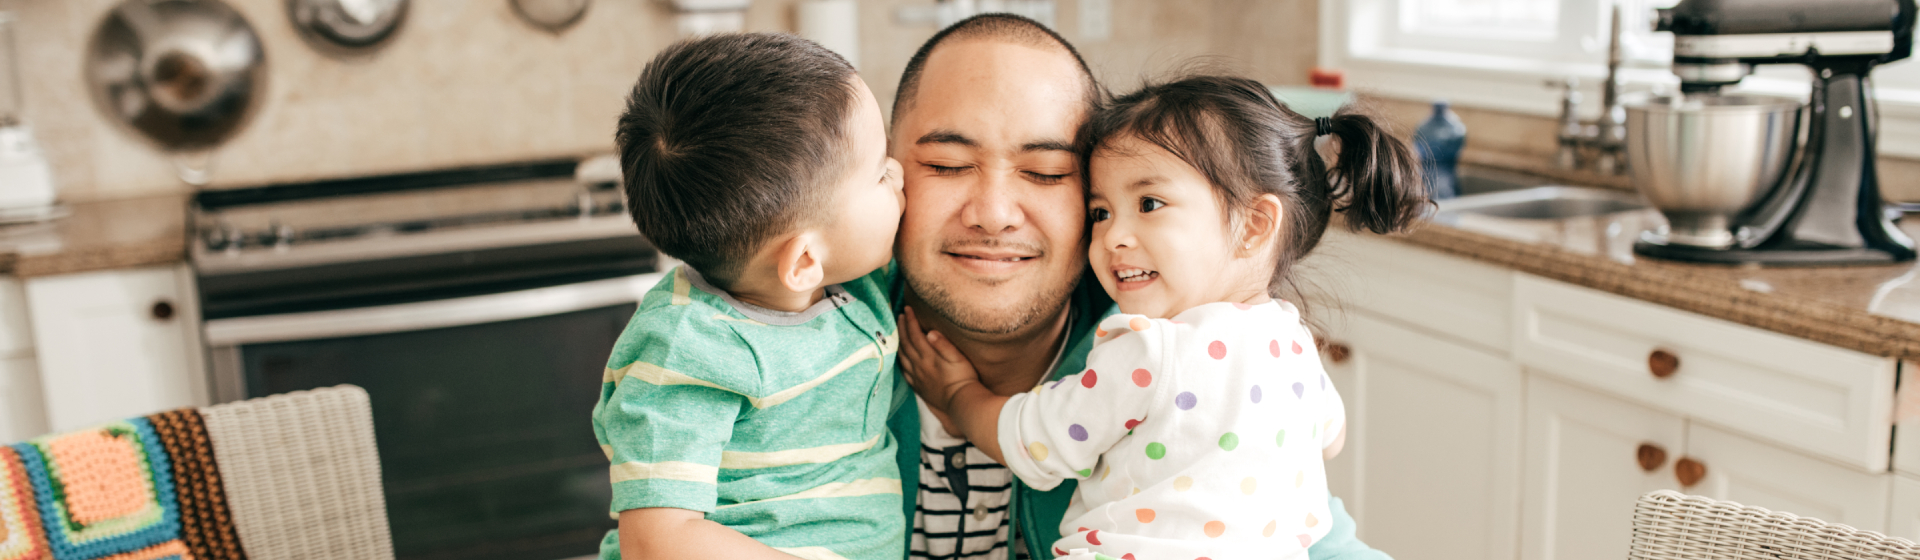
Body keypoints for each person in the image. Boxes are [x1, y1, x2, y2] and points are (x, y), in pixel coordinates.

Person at [885, 14, 1395, 560]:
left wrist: (962, 399)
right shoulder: (808, 354)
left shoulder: (1153, 345)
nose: (994, 214)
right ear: (885, 171)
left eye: (1048, 172)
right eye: (947, 164)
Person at [591, 33, 907, 560]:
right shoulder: (687, 349)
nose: (898, 172)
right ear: (804, 261)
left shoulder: (852, 284)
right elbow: (657, 540)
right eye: (880, 172)